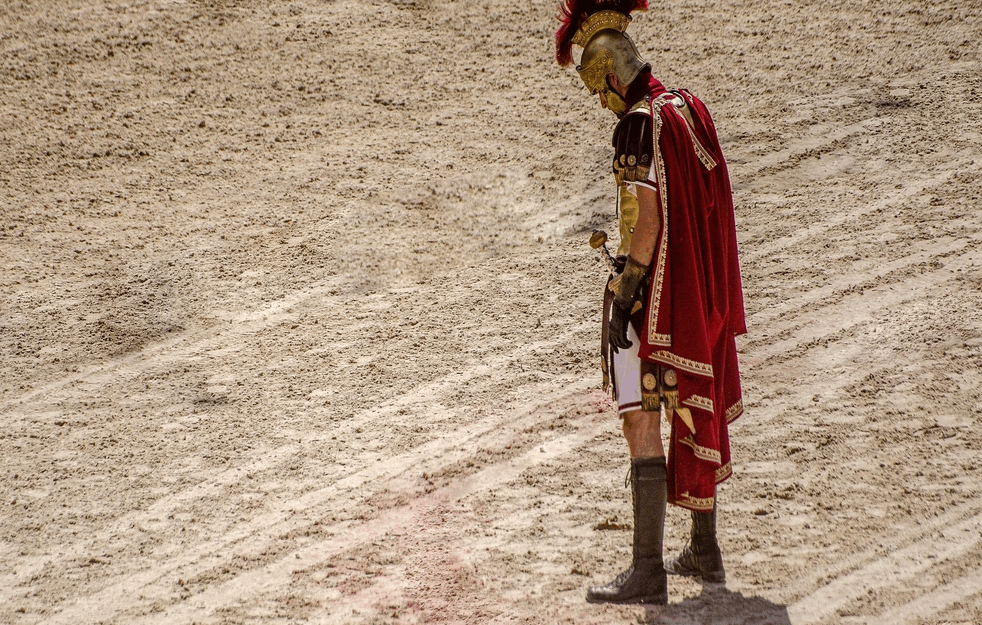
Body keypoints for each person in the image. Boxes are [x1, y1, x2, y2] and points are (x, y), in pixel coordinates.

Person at [555, 0, 747, 605]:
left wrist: (626, 290)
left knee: (641, 415)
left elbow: (650, 221)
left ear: (611, 73)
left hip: (663, 300)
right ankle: (704, 549)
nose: (599, 102)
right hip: (703, 292)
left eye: (596, 89)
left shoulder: (637, 122)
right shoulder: (686, 107)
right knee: (694, 402)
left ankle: (647, 572)